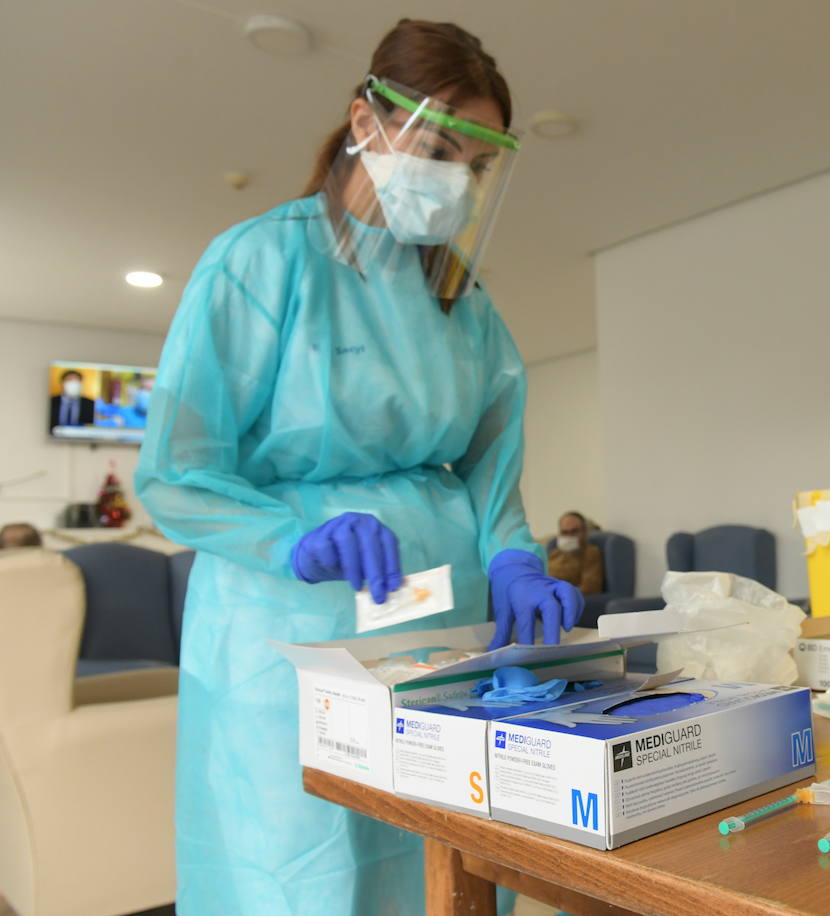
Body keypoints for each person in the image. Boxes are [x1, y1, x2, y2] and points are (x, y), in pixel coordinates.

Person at [134, 20, 581, 914]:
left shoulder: (461, 299)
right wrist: (294, 534)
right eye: (439, 146)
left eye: (476, 162)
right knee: (299, 867)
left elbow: (492, 463)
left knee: (438, 863)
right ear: (364, 122)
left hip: (441, 634)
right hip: (290, 634)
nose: (454, 178)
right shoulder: (260, 261)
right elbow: (175, 471)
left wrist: (513, 555)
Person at [547, 511, 604, 596]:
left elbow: (590, 588)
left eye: (574, 531)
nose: (569, 536)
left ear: (584, 532)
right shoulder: (555, 553)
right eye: (565, 532)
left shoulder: (590, 553)